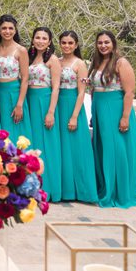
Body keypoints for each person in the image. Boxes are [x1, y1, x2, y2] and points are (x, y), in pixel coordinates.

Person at [90, 31, 136, 208]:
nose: (103, 45)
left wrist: (125, 117)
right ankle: (105, 187)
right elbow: (94, 88)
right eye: (100, 43)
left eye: (106, 42)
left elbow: (129, 92)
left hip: (115, 109)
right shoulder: (97, 62)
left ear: (113, 43)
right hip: (99, 109)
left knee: (116, 150)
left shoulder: (121, 62)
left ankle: (118, 192)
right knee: (103, 149)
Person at [56, 31, 97, 203]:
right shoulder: (56, 61)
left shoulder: (80, 64)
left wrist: (74, 116)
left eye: (70, 43)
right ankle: (66, 190)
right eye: (64, 42)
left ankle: (83, 191)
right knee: (62, 149)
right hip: (57, 106)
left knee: (76, 148)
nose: (66, 46)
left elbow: (82, 93)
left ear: (76, 44)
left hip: (73, 105)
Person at [25, 27, 62, 202]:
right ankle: (32, 186)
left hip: (44, 100)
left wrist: (50, 112)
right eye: (37, 37)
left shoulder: (52, 60)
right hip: (29, 101)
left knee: (46, 145)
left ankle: (49, 188)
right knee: (32, 143)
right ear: (33, 40)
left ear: (49, 42)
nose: (40, 41)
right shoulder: (30, 57)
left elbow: (56, 87)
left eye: (44, 38)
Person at [0, 14, 30, 133]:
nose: (7, 31)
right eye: (4, 28)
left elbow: (25, 79)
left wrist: (19, 104)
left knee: (13, 130)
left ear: (15, 30)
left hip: (14, 93)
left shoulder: (21, 50)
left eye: (10, 28)